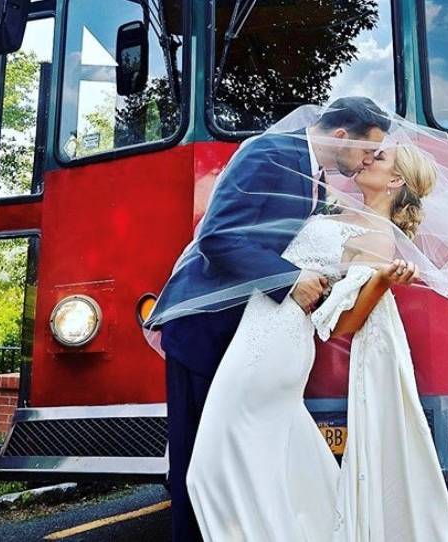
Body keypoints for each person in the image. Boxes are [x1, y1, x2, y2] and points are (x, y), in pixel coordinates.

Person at [143, 97, 391, 542]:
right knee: (198, 466)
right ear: (341, 136)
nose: (368, 161)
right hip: (207, 329)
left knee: (236, 465)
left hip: (248, 336)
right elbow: (217, 238)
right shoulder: (269, 152)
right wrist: (290, 280)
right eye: (366, 151)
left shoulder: (312, 174)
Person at [185, 143, 448, 541]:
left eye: (379, 158)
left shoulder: (378, 237)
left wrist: (381, 282)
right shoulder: (338, 212)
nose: (367, 158)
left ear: (396, 180)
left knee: (209, 470)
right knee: (280, 466)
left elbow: (346, 323)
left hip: (274, 346)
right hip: (263, 337)